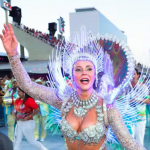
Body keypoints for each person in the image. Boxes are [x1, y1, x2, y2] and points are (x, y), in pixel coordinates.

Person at [0, 23, 147, 150]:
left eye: (89, 69)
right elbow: (28, 86)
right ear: (72, 75)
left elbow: (130, 143)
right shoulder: (63, 100)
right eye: (78, 69)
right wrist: (13, 55)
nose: (84, 73)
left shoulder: (107, 107)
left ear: (95, 74)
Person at [129, 69, 150, 145]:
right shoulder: (125, 87)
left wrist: (136, 100)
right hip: (129, 118)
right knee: (129, 142)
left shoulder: (143, 87)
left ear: (138, 75)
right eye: (130, 73)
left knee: (139, 141)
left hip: (140, 119)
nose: (132, 75)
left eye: (134, 73)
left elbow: (148, 101)